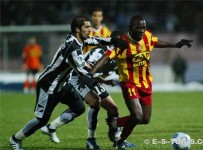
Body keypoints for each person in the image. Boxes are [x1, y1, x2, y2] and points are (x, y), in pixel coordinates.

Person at [9, 16, 127, 150]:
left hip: (62, 84)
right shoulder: (73, 49)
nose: (90, 30)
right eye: (87, 27)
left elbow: (96, 40)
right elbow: (84, 73)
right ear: (78, 29)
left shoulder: (78, 38)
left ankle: (51, 128)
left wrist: (113, 40)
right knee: (41, 120)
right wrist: (99, 77)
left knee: (79, 108)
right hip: (49, 85)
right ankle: (15, 139)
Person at [88, 15, 192, 149]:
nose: (141, 30)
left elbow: (156, 42)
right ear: (130, 28)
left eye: (143, 27)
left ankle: (115, 123)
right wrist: (91, 73)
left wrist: (177, 45)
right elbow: (106, 57)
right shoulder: (123, 43)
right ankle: (120, 142)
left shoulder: (147, 36)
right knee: (137, 116)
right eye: (138, 27)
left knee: (145, 119)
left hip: (146, 83)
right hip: (130, 83)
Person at [40, 31, 134, 150]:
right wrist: (103, 80)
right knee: (91, 104)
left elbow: (120, 71)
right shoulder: (99, 52)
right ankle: (93, 140)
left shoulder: (118, 56)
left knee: (112, 108)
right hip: (78, 78)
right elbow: (86, 70)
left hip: (93, 80)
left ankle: (117, 139)